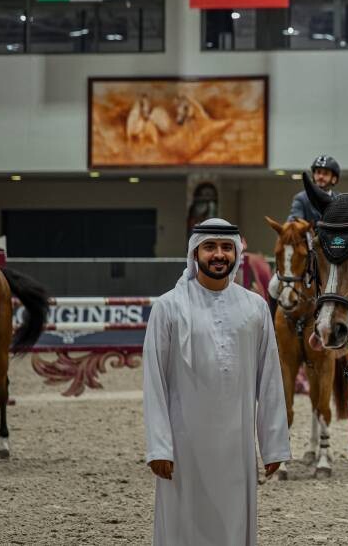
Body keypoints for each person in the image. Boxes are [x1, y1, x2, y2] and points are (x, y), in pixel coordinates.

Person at [143, 218, 291, 546]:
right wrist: (159, 446)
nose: (219, 254)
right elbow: (153, 381)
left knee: (234, 525)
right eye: (210, 246)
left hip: (237, 448)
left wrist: (273, 444)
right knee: (182, 525)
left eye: (226, 247)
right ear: (194, 253)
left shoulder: (255, 308)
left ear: (237, 253)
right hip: (183, 448)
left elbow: (269, 380)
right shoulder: (168, 307)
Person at [288, 154, 340, 223]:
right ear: (313, 175)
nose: (321, 176)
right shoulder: (301, 199)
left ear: (334, 179)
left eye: (326, 173)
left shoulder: (339, 200)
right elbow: (294, 221)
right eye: (318, 172)